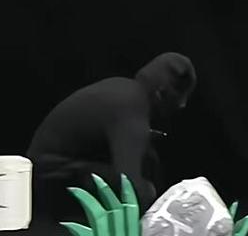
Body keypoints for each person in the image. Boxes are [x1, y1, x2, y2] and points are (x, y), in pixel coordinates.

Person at [28, 52, 196, 213]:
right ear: (160, 93)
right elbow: (128, 185)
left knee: (148, 162)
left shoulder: (123, 90)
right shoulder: (132, 107)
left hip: (50, 169)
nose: (182, 106)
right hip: (49, 177)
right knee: (145, 191)